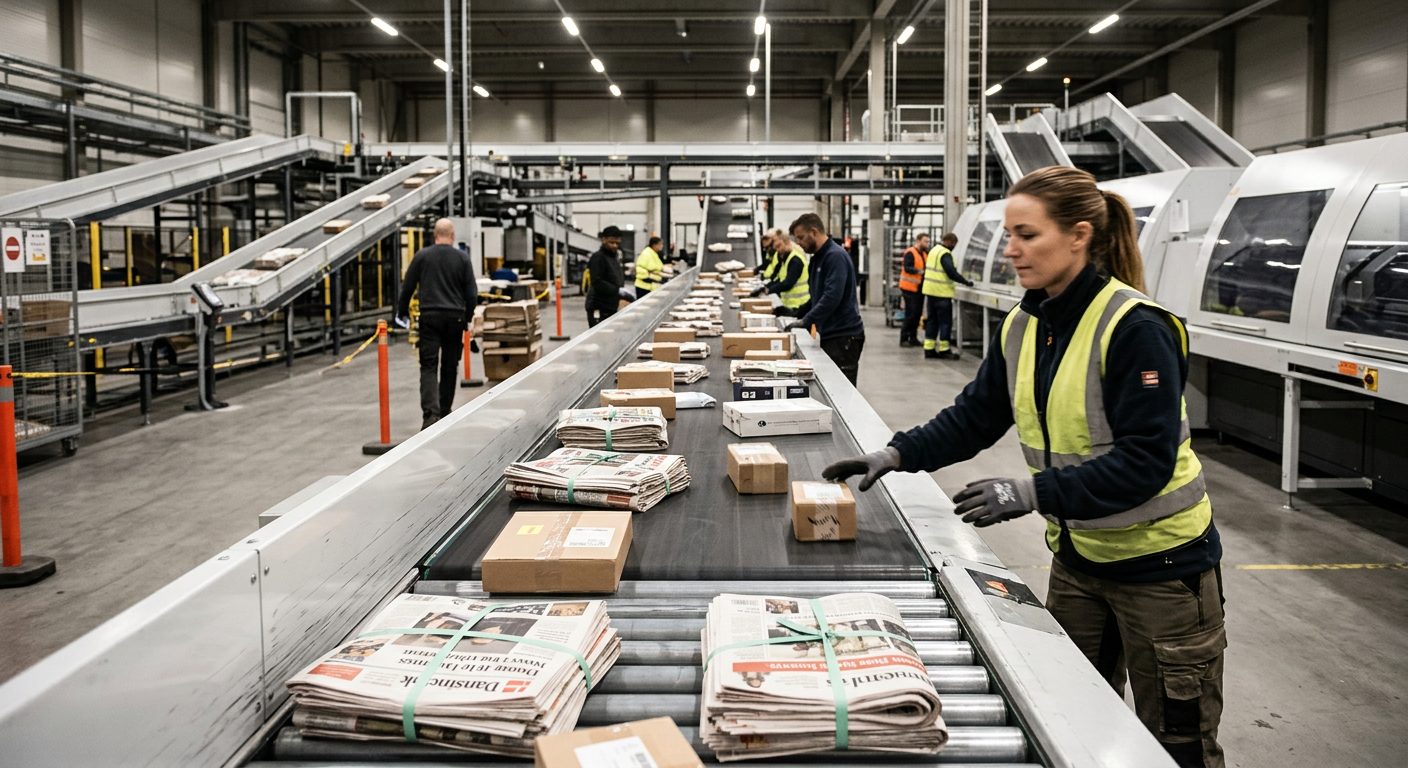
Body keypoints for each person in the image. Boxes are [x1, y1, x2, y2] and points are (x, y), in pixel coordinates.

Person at [822, 166, 1225, 768]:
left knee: (1177, 743)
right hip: (1081, 560)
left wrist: (1033, 490)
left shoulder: (1135, 328)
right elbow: (976, 416)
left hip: (1163, 571)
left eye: (1027, 235)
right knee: (1072, 720)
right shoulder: (1025, 323)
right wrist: (898, 452)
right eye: (1009, 233)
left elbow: (1145, 462)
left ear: (1079, 236)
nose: (1010, 249)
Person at [396, 218, 478, 430]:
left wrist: (402, 312)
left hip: (429, 317)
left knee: (429, 366)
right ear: (452, 236)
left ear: (435, 235)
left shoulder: (422, 256)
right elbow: (471, 294)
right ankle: (445, 411)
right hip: (454, 318)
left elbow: (407, 287)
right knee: (450, 366)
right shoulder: (462, 258)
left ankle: (430, 416)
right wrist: (467, 318)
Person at [780, 213, 864, 385]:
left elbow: (832, 297)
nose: (799, 243)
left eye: (801, 238)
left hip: (844, 337)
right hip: (831, 334)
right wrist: (795, 314)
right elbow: (816, 297)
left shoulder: (835, 256)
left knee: (841, 389)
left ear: (814, 232)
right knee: (830, 385)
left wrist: (806, 321)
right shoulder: (817, 258)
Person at [921, 232, 974, 359]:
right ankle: (944, 349)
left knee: (932, 321)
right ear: (950, 242)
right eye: (954, 244)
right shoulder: (945, 254)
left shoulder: (934, 251)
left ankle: (929, 349)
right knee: (945, 322)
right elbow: (951, 272)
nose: (954, 246)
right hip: (942, 293)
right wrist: (966, 282)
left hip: (931, 292)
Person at [750, 228, 809, 311]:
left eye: (779, 246)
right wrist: (765, 288)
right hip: (788, 304)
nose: (777, 250)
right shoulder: (784, 258)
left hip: (799, 306)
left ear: (787, 242)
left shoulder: (795, 260)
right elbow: (779, 279)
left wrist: (769, 290)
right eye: (775, 247)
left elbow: (788, 282)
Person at [584, 225, 632, 327]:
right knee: (599, 338)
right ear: (604, 240)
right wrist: (617, 291)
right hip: (599, 306)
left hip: (610, 306)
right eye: (612, 242)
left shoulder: (614, 256)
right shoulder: (598, 257)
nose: (615, 246)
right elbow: (597, 282)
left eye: (617, 243)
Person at [898, 233, 929, 347]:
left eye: (928, 242)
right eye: (925, 241)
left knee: (917, 314)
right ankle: (904, 338)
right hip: (909, 288)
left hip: (919, 289)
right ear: (918, 241)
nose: (927, 244)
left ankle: (913, 337)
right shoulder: (910, 252)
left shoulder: (925, 254)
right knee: (910, 314)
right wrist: (920, 271)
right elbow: (907, 267)